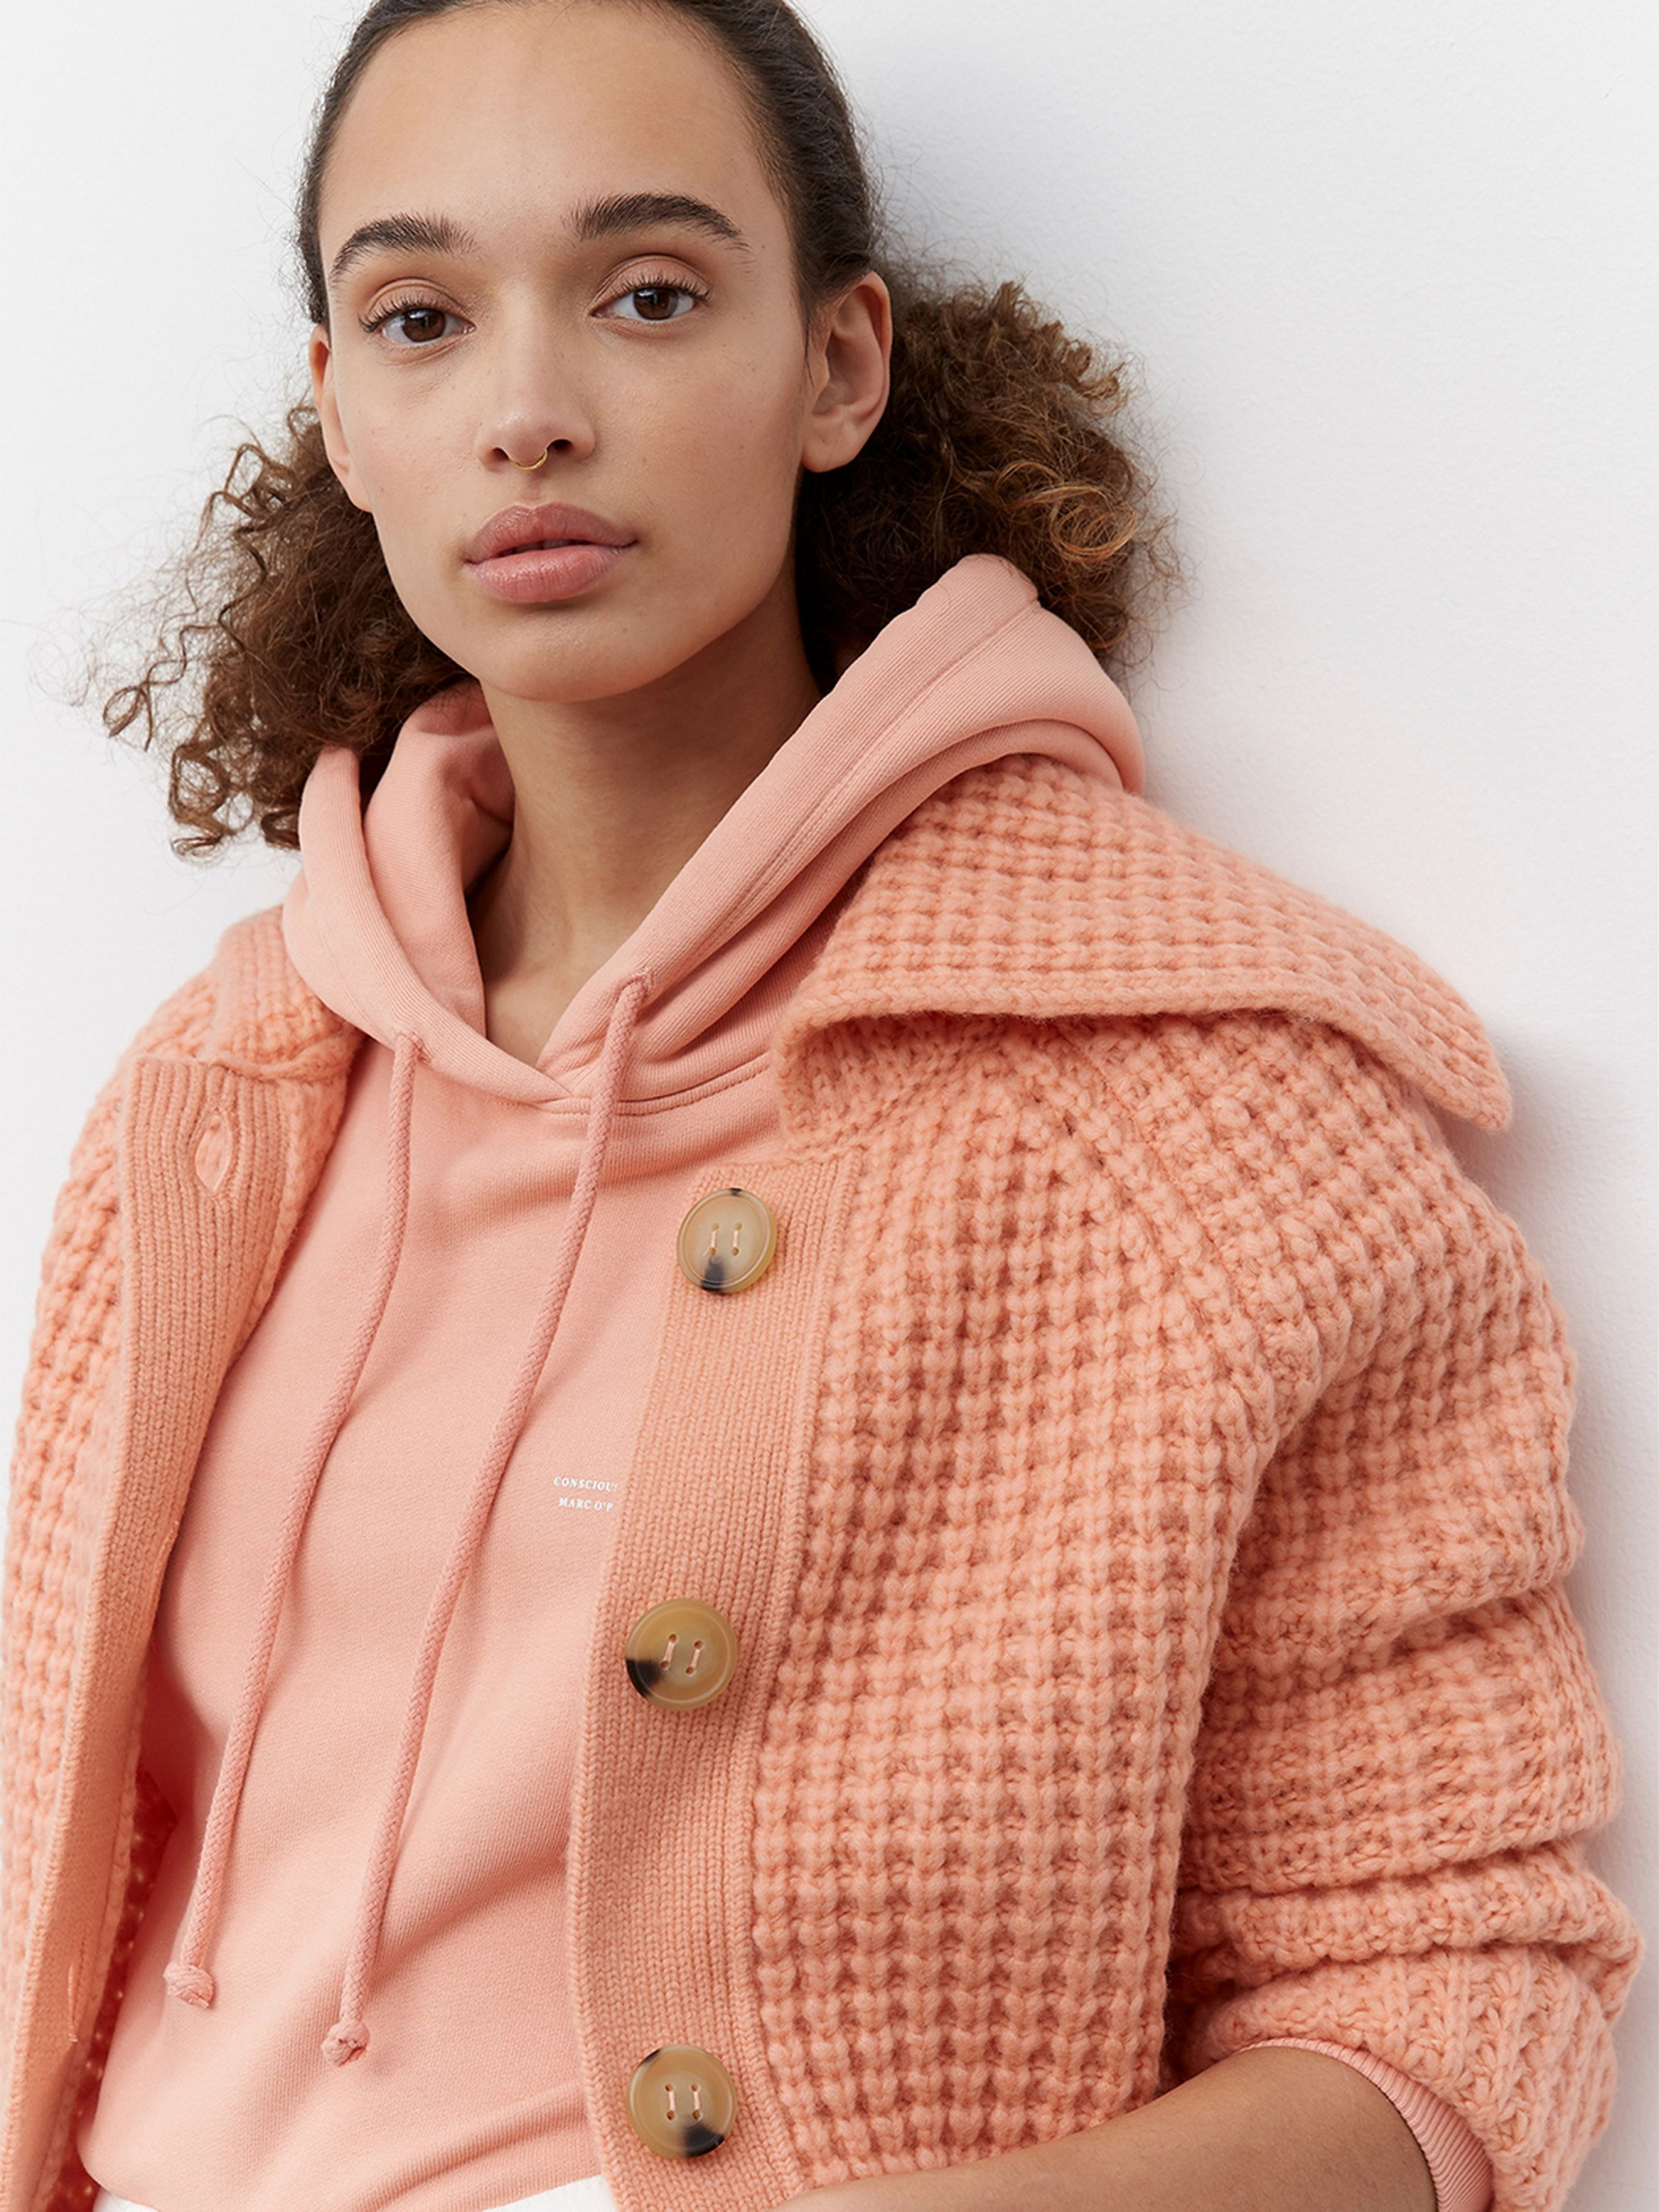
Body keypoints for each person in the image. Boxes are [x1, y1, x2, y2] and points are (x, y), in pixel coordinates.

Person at [0, 3, 1639, 2210]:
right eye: (420, 318)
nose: (527, 408)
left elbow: (1450, 2003)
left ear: (839, 365)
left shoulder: (1206, 1119)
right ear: (341, 417)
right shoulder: (214, 1102)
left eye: (648, 292)